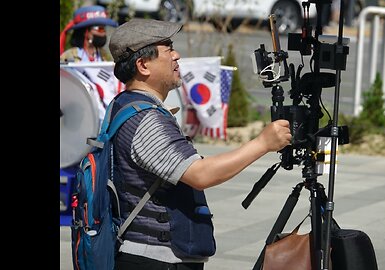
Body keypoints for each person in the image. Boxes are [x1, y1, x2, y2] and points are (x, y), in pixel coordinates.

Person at [107, 18, 292, 270]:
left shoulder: (125, 105)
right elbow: (200, 175)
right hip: (154, 259)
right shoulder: (145, 120)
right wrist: (263, 143)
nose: (177, 55)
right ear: (143, 65)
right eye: (168, 48)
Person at [60, 5, 123, 125]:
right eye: (99, 29)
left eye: (104, 29)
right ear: (87, 33)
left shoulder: (104, 57)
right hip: (79, 117)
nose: (104, 33)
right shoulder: (70, 57)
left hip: (102, 118)